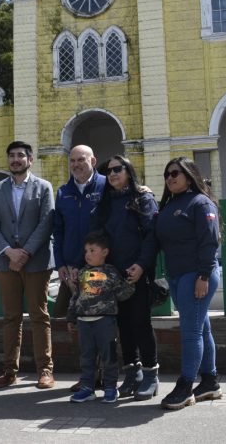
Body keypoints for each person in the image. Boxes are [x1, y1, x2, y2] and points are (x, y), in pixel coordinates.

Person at [0, 140, 56, 389]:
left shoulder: (44, 187)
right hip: (6, 264)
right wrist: (8, 251)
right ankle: (9, 371)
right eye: (12, 156)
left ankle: (45, 371)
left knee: (39, 315)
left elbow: (47, 222)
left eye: (20, 155)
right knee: (11, 317)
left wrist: (24, 252)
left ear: (30, 159)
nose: (15, 160)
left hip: (36, 261)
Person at [90, 154, 160, 400]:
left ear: (129, 171)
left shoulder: (143, 198)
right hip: (114, 277)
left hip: (138, 274)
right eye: (108, 171)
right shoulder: (105, 203)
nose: (112, 174)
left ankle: (151, 375)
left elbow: (152, 237)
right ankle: (133, 374)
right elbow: (99, 237)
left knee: (141, 324)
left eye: (117, 169)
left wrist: (141, 266)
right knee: (124, 327)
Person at [154, 157, 222, 410]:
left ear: (190, 175)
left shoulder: (200, 203)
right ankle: (210, 382)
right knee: (201, 329)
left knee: (190, 332)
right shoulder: (170, 204)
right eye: (167, 174)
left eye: (175, 173)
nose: (170, 178)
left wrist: (203, 276)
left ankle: (185, 386)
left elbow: (209, 241)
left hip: (196, 275)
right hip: (177, 275)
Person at [52, 144, 107, 392]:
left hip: (99, 269)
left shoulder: (107, 186)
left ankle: (106, 375)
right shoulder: (63, 192)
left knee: (102, 325)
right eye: (72, 160)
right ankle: (89, 376)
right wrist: (62, 264)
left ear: (93, 160)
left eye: (81, 159)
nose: (76, 164)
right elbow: (59, 231)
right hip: (73, 270)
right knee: (81, 325)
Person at [66, 231, 135, 404]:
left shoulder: (111, 272)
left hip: (105, 322)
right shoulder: (81, 273)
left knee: (109, 356)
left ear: (104, 252)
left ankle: (110, 388)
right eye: (86, 251)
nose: (87, 254)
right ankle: (87, 388)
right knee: (87, 357)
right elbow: (76, 297)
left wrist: (131, 284)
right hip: (83, 322)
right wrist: (71, 317)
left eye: (92, 250)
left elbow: (122, 294)